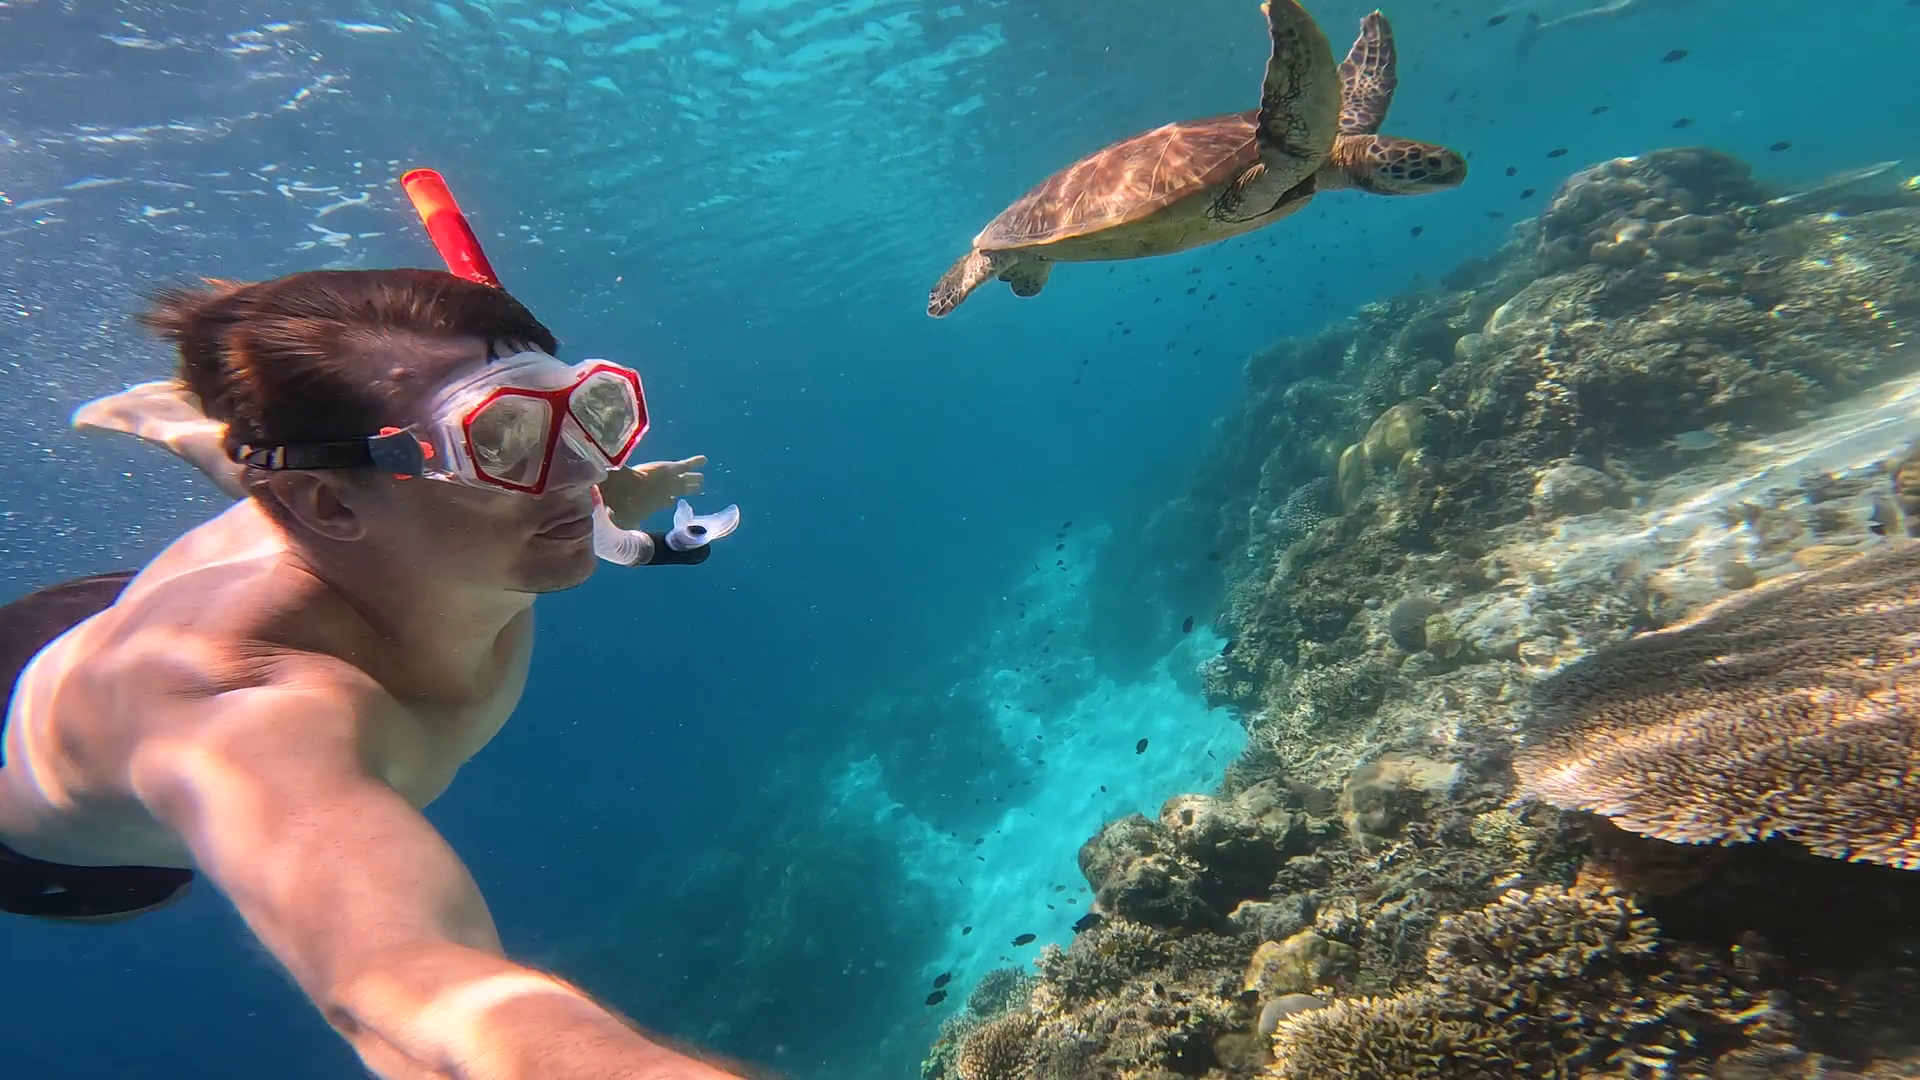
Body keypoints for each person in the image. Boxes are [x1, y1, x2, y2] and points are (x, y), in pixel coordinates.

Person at [0, 268, 751, 1080]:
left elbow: (537, 487)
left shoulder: (459, 520)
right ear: (323, 506)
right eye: (502, 440)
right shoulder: (248, 716)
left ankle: (202, 431)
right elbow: (401, 987)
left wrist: (585, 482)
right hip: (42, 799)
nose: (580, 473)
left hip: (159, 600)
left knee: (323, 479)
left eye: (594, 415)